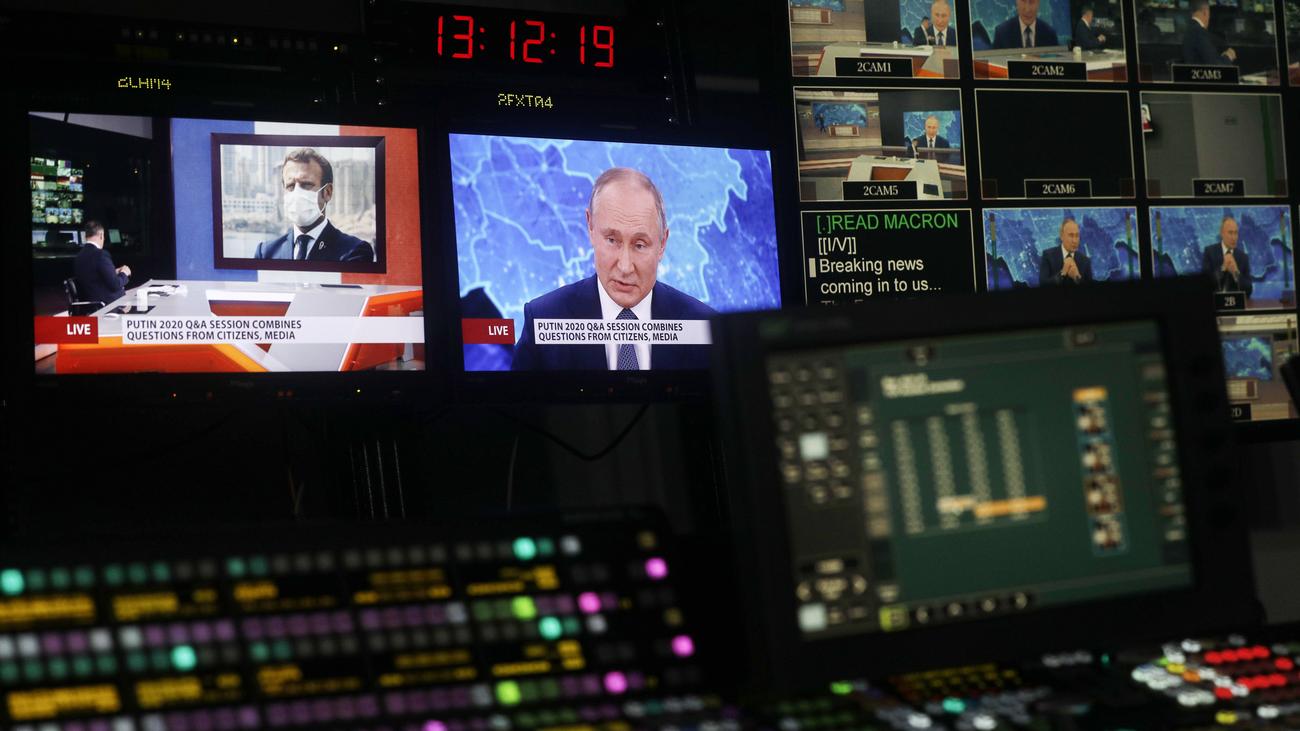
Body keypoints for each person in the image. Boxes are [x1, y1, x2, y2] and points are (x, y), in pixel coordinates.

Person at [511, 167, 716, 371]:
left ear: (662, 244)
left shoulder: (704, 328)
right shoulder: (543, 319)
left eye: (640, 245)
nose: (625, 267)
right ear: (591, 227)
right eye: (612, 240)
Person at [254, 148, 375, 262]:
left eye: (306, 184)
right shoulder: (266, 253)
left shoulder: (354, 251)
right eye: (290, 186)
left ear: (327, 192)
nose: (297, 193)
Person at [72, 219, 130, 304]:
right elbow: (115, 285)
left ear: (85, 236)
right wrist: (124, 273)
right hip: (107, 304)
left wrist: (113, 272)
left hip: (91, 301)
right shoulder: (101, 254)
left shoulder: (79, 256)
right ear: (101, 235)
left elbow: (93, 276)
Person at [1202, 215, 1252, 296]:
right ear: (1222, 233)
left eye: (1236, 233)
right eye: (1230, 233)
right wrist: (1223, 268)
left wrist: (1236, 272)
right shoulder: (1210, 252)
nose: (1234, 237)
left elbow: (1249, 290)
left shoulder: (1243, 257)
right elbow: (1205, 284)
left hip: (1236, 302)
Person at [1039, 218, 1093, 285]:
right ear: (1062, 236)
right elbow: (1043, 284)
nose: (1075, 241)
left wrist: (1077, 278)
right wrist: (1062, 273)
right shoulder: (1048, 256)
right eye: (1071, 235)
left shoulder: (1085, 261)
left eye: (1077, 236)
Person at [1182, 0, 1236, 65]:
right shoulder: (1199, 32)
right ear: (1205, 12)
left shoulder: (1188, 29)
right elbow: (1215, 65)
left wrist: (1222, 57)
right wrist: (1228, 56)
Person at [992, 0, 1059, 49]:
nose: (1027, 9)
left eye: (1032, 1)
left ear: (1038, 3)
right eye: (1023, 1)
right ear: (1017, 2)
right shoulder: (1002, 33)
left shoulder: (1050, 34)